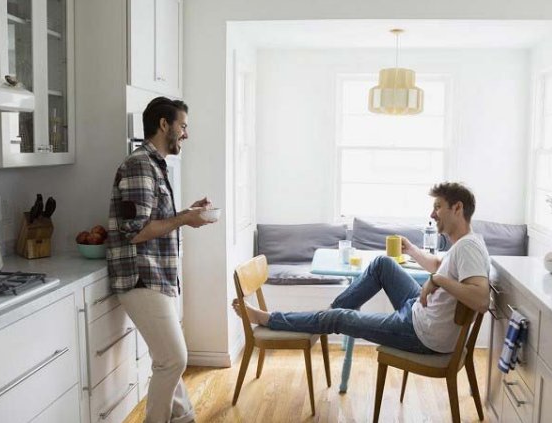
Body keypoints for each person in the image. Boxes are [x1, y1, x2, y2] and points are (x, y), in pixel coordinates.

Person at [233, 182, 490, 355]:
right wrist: (411, 250)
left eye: (438, 207)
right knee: (382, 264)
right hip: (421, 313)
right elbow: (439, 265)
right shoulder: (465, 244)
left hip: (422, 334)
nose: (432, 214)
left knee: (337, 319)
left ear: (457, 208)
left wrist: (438, 281)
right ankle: (327, 318)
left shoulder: (468, 248)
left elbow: (481, 299)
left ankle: (274, 319)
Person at [107, 96, 212, 423]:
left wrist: (186, 213)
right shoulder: (140, 164)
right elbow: (134, 231)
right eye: (182, 125)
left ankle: (185, 419)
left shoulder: (155, 165)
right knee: (173, 360)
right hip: (141, 276)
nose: (186, 134)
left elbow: (153, 219)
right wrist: (184, 218)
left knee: (168, 358)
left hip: (157, 275)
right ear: (164, 124)